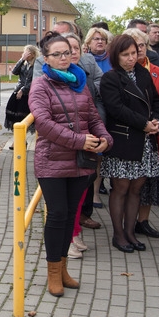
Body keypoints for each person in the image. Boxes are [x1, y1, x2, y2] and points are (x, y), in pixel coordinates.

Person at [28, 31, 111, 297]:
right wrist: (78, 140)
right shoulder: (41, 85)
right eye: (57, 54)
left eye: (67, 53)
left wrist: (105, 137)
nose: (64, 58)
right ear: (46, 58)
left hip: (80, 162)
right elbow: (44, 123)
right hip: (52, 160)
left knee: (71, 215)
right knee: (57, 215)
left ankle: (63, 268)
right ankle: (53, 271)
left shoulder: (80, 82)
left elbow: (93, 117)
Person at [99, 34, 159, 253]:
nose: (130, 58)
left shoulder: (144, 73)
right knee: (121, 187)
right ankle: (119, 234)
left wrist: (156, 120)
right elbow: (116, 109)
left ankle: (130, 232)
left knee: (137, 188)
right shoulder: (110, 78)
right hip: (124, 139)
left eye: (133, 53)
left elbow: (156, 100)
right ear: (116, 56)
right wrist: (143, 124)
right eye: (125, 55)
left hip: (145, 140)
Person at [124, 28, 159, 240]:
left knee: (149, 180)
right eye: (132, 47)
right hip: (131, 135)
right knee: (128, 182)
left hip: (153, 135)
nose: (137, 51)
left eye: (141, 46)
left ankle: (144, 221)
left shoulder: (157, 71)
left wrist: (158, 121)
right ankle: (127, 223)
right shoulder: (119, 73)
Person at [64, 32, 105, 247]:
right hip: (65, 145)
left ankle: (75, 231)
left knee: (81, 189)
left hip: (86, 139)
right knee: (66, 195)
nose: (72, 53)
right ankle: (68, 238)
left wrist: (102, 134)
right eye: (67, 49)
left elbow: (93, 110)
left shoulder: (84, 76)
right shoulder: (51, 79)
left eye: (76, 49)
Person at [5, 44, 36, 128]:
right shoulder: (24, 63)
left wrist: (23, 90)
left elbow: (34, 81)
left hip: (28, 92)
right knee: (12, 111)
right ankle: (18, 136)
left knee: (24, 115)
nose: (26, 54)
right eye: (25, 52)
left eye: (28, 53)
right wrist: (22, 59)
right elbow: (14, 72)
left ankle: (23, 135)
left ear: (33, 54)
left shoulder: (36, 65)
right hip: (18, 90)